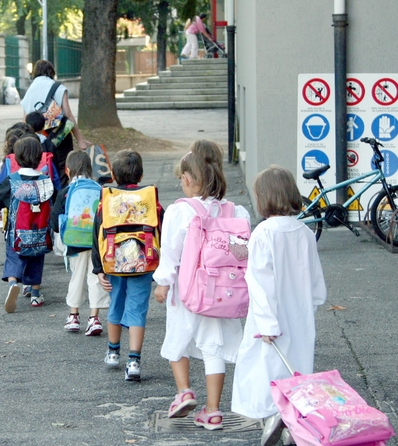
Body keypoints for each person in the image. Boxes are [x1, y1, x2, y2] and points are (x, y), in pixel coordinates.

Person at [153, 141, 250, 430]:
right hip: (223, 293)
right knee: (213, 348)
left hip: (189, 290)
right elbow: (242, 254)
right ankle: (213, 411)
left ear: (187, 179)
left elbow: (171, 252)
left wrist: (163, 283)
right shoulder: (237, 212)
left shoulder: (180, 211)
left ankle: (184, 391)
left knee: (178, 339)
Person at [231, 165, 327, 446]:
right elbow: (315, 277)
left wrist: (267, 322)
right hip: (300, 313)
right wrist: (313, 303)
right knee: (296, 368)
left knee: (266, 369)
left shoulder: (263, 234)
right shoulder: (305, 232)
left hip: (269, 316)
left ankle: (274, 415)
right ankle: (293, 423)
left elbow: (260, 282)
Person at [92, 149, 164, 381]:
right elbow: (161, 231)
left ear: (113, 174)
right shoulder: (150, 200)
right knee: (136, 309)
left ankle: (113, 352)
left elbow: (97, 235)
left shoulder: (107, 201)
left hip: (113, 262)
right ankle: (134, 361)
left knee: (115, 304)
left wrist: (99, 268)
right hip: (144, 264)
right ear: (140, 176)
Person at [0, 135, 53, 312]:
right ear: (40, 157)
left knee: (13, 257)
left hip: (16, 233)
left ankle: (12, 284)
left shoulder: (12, 180)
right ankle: (35, 295)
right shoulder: (45, 181)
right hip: (40, 233)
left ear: (16, 158)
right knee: (36, 260)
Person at [50, 150, 109, 335]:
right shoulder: (99, 189)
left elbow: (55, 223)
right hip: (96, 243)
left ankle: (74, 316)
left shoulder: (66, 192)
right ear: (90, 169)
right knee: (95, 278)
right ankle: (94, 318)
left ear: (67, 170)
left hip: (74, 242)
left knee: (77, 277)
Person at [20, 59, 88, 187]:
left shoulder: (29, 91)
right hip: (60, 136)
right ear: (51, 72)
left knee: (42, 170)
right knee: (63, 170)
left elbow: (25, 120)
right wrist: (80, 139)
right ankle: (61, 201)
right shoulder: (58, 88)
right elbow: (68, 116)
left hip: (37, 138)